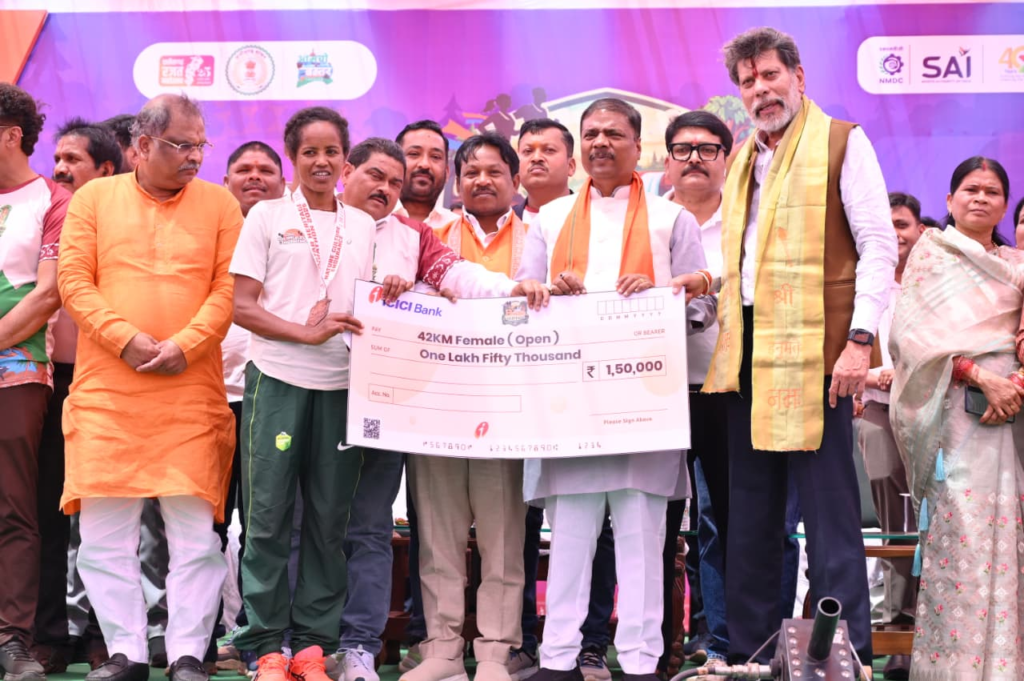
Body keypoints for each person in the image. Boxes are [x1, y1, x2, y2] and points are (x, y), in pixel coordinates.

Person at [703, 27, 897, 672]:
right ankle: (751, 653)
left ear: (799, 77)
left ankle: (846, 654)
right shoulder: (742, 161)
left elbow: (878, 245)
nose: (761, 90)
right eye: (748, 81)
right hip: (748, 346)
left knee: (829, 512)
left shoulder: (842, 141)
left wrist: (859, 341)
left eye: (770, 75)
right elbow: (742, 263)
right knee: (751, 515)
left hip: (821, 346)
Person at [514, 97, 715, 681]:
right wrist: (545, 294)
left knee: (642, 540)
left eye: (614, 134)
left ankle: (641, 662)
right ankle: (557, 660)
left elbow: (702, 308)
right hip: (569, 407)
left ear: (636, 145)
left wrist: (657, 301)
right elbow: (519, 302)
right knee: (569, 538)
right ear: (580, 148)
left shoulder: (672, 219)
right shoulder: (548, 220)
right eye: (592, 134)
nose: (601, 142)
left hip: (644, 406)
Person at [58, 93, 241, 681]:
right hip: (108, 394)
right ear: (140, 145)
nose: (195, 156)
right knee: (102, 537)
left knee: (196, 537)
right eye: (181, 145)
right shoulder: (94, 199)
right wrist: (124, 339)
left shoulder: (219, 203)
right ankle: (127, 652)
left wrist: (186, 343)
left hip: (190, 391)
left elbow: (229, 289)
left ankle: (186, 651)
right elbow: (73, 281)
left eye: (200, 145)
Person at [230, 107, 384, 681]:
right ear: (293, 158)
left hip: (342, 386)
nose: (322, 161)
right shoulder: (267, 216)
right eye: (309, 152)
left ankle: (313, 649)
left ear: (346, 159)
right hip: (277, 379)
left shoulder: (362, 225)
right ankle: (265, 647)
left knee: (328, 522)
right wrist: (305, 333)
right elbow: (242, 307)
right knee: (267, 519)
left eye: (331, 151)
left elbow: (368, 304)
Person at [889, 156, 1024, 681]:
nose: (981, 197)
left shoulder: (1015, 264)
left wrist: (1013, 385)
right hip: (953, 419)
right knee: (961, 540)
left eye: (992, 191)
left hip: (1010, 417)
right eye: (971, 189)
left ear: (1004, 205)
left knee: (1006, 539)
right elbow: (910, 339)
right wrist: (979, 375)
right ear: (949, 200)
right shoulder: (931, 256)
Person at [402, 133, 531, 681]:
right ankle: (442, 649)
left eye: (494, 171)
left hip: (508, 408)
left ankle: (497, 651)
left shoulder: (538, 239)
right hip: (437, 407)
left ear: (515, 181)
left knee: (503, 538)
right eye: (471, 171)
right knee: (437, 535)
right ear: (456, 183)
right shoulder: (426, 237)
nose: (482, 180)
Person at [30, 118, 123, 676]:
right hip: (50, 380)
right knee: (47, 510)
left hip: (111, 379)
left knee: (110, 515)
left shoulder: (125, 223)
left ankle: (105, 635)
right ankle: (48, 634)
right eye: (58, 158)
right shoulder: (41, 213)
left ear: (107, 169)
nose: (61, 169)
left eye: (74, 160)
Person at [0, 82, 70, 681]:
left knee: (13, 507)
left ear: (11, 135)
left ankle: (12, 640)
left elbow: (48, 294)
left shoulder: (55, 199)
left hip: (17, 370)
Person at [660, 110, 733, 672]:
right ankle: (661, 640)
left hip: (726, 386)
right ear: (666, 160)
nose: (694, 160)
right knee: (658, 521)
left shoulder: (747, 221)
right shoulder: (648, 221)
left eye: (707, 149)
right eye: (682, 149)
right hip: (654, 388)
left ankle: (718, 637)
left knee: (720, 518)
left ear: (726, 159)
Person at [395, 121, 458, 229]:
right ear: (394, 164)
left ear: (447, 172)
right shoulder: (373, 220)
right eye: (414, 154)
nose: (424, 164)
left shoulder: (459, 229)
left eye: (435, 156)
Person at [517, 118, 575, 228]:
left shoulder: (595, 218)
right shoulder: (501, 224)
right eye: (528, 151)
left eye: (549, 150)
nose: (536, 158)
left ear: (571, 166)